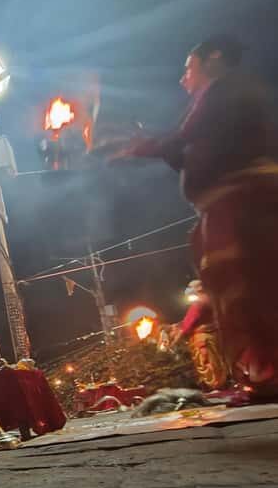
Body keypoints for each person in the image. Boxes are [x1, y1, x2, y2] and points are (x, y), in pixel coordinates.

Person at [113, 35, 278, 399]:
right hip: (227, 206)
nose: (183, 77)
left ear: (214, 58)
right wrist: (151, 146)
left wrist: (145, 145)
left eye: (189, 67)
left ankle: (267, 374)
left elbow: (185, 140)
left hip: (245, 201)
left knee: (249, 288)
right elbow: (185, 151)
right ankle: (263, 374)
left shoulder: (230, 91)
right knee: (235, 287)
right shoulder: (214, 100)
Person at [170, 280, 229, 390]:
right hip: (215, 334)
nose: (188, 289)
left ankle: (216, 386)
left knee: (207, 362)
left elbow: (188, 323)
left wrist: (176, 340)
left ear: (199, 288)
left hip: (203, 338)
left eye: (190, 286)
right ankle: (222, 384)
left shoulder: (199, 303)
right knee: (218, 361)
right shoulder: (211, 299)